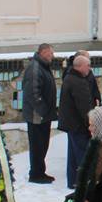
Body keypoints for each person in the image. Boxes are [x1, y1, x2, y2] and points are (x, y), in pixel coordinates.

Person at [22, 43, 57, 183]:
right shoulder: (35, 68)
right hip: (37, 116)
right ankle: (36, 174)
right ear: (43, 52)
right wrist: (43, 110)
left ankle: (40, 171)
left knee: (43, 145)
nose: (52, 56)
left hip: (44, 115)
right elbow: (32, 93)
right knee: (37, 146)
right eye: (50, 53)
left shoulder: (43, 66)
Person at [58, 54, 95, 190]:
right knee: (83, 155)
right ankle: (84, 184)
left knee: (73, 155)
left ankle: (73, 181)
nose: (90, 68)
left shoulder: (70, 77)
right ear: (79, 66)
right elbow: (84, 107)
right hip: (78, 124)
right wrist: (90, 124)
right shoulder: (78, 81)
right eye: (88, 65)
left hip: (71, 123)